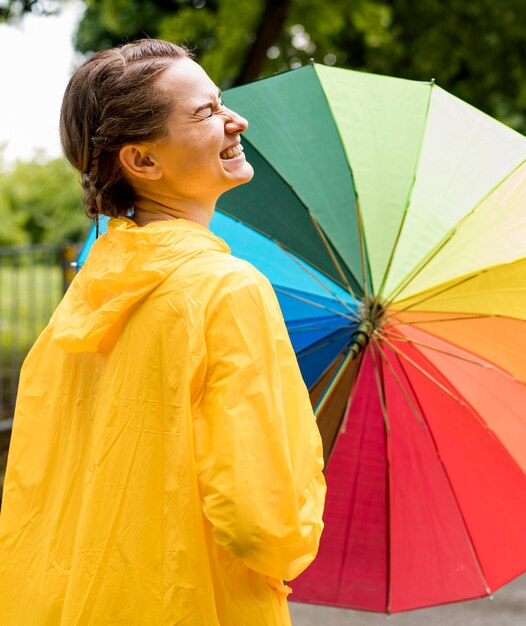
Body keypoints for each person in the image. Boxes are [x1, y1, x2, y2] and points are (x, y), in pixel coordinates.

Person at [0, 39, 326, 625]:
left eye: (221, 102)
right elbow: (262, 524)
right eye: (205, 113)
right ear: (142, 161)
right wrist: (296, 521)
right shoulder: (227, 291)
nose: (236, 120)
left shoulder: (82, 301)